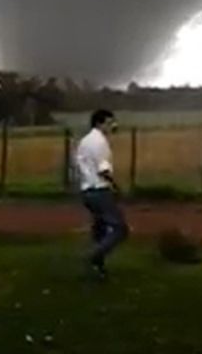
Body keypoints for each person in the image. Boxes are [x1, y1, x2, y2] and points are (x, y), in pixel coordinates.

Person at [76, 109, 128, 278]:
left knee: (100, 228)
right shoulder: (100, 142)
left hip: (87, 190)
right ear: (99, 123)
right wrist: (116, 186)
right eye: (109, 122)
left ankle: (98, 268)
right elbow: (103, 170)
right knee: (120, 229)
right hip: (99, 190)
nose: (112, 126)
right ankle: (93, 257)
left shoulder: (84, 141)